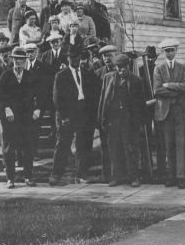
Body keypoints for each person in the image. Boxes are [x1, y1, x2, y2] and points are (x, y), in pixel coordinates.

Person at [49, 46, 100, 185]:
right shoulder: (61, 75)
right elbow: (57, 99)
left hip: (83, 115)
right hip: (67, 116)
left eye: (78, 57)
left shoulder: (88, 74)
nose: (75, 59)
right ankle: (56, 175)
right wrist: (64, 116)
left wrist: (91, 115)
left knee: (83, 145)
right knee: (62, 145)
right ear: (68, 58)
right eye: (72, 57)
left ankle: (81, 175)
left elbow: (94, 95)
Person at [0, 47, 41, 188]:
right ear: (12, 60)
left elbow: (40, 93)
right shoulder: (6, 75)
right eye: (16, 59)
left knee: (28, 147)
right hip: (10, 117)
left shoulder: (30, 75)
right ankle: (10, 179)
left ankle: (28, 177)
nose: (19, 62)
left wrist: (38, 108)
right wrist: (7, 108)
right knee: (9, 148)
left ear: (25, 61)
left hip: (26, 116)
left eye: (21, 59)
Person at [98, 54, 145, 187]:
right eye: (118, 68)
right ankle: (116, 177)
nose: (121, 71)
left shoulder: (136, 81)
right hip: (113, 119)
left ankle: (134, 177)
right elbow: (103, 100)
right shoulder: (108, 78)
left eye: (124, 68)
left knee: (131, 149)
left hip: (129, 120)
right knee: (114, 149)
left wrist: (139, 122)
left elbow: (141, 104)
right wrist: (102, 119)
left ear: (128, 67)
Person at [154, 38, 185, 189]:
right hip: (166, 111)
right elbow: (157, 90)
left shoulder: (183, 68)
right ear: (163, 52)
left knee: (181, 143)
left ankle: (181, 176)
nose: (169, 53)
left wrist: (169, 85)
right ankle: (171, 176)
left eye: (172, 50)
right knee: (169, 143)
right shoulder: (158, 68)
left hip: (180, 110)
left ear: (176, 51)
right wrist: (176, 91)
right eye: (166, 51)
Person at [93, 45, 118, 182]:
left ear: (116, 55)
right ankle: (107, 175)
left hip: (119, 116)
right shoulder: (98, 73)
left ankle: (121, 173)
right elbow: (96, 98)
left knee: (119, 145)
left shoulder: (122, 70)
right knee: (105, 146)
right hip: (104, 117)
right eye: (104, 56)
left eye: (109, 55)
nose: (106, 58)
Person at [139, 46, 164, 175]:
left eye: (151, 57)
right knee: (146, 135)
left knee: (159, 136)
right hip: (145, 106)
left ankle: (161, 165)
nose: (149, 59)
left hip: (158, 105)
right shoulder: (140, 71)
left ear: (155, 58)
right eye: (147, 57)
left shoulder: (158, 69)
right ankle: (147, 163)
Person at [25, 43, 49, 161]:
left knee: (35, 128)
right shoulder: (22, 66)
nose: (29, 54)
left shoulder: (42, 67)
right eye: (27, 52)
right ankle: (25, 153)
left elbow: (44, 88)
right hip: (24, 104)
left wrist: (39, 107)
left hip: (37, 103)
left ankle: (34, 152)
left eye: (32, 52)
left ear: (36, 52)